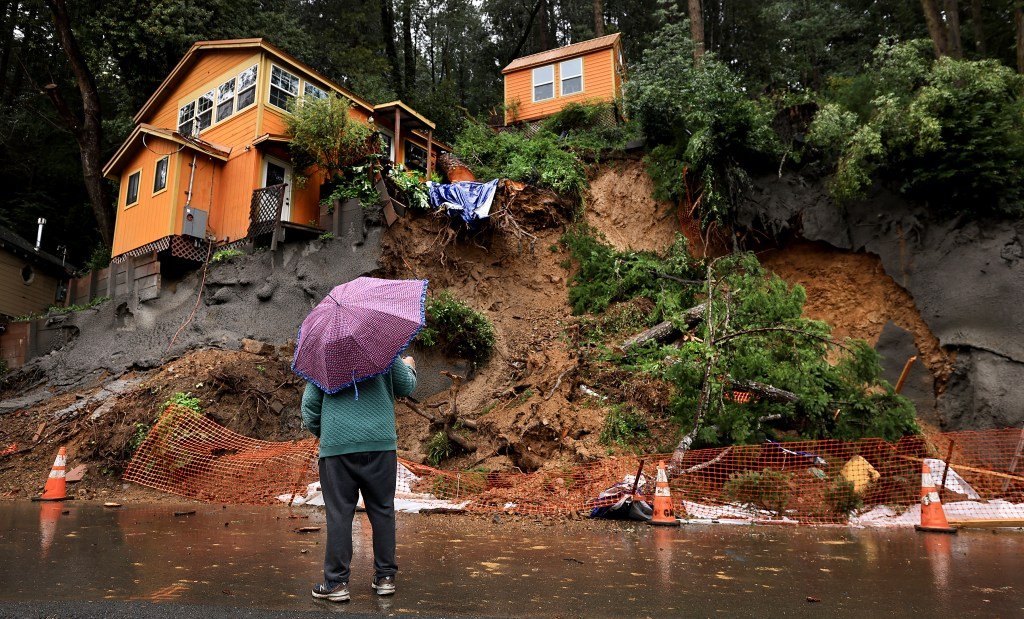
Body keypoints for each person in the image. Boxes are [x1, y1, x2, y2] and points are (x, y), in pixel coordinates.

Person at [302, 355, 417, 602]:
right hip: (380, 445)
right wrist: (410, 366)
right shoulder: (384, 349)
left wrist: (328, 434)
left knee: (340, 513)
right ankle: (385, 577)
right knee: (383, 509)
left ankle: (336, 583)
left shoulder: (324, 357)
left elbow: (310, 407)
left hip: (337, 450)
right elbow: (405, 386)